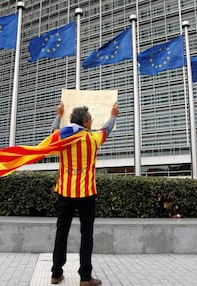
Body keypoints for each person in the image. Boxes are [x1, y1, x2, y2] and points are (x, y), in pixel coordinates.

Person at [50, 102, 119, 286]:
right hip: (86, 193)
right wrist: (113, 114)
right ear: (86, 123)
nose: (92, 121)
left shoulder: (61, 137)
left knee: (61, 233)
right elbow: (107, 129)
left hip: (65, 192)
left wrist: (58, 114)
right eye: (91, 119)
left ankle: (56, 274)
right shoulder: (93, 138)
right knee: (86, 234)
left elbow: (53, 131)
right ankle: (85, 278)